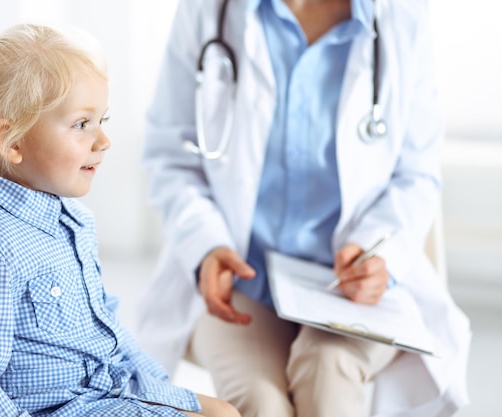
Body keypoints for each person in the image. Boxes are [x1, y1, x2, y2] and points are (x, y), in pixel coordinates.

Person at [134, 1, 471, 416]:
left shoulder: (399, 16)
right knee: (260, 403)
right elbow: (171, 156)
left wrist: (378, 253)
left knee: (328, 369)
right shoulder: (209, 11)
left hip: (351, 288)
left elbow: (416, 173)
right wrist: (206, 245)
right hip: (240, 281)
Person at [0, 23, 240, 417]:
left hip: (102, 391)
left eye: (101, 121)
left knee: (224, 412)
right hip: (57, 408)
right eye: (81, 124)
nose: (102, 141)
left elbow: (103, 323)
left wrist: (156, 385)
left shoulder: (71, 220)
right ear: (12, 141)